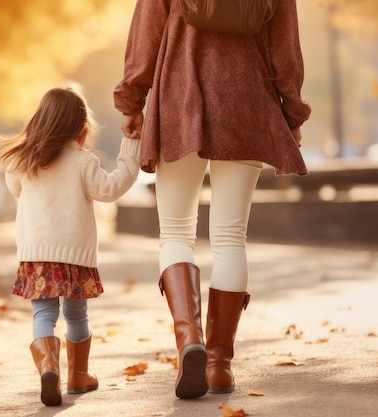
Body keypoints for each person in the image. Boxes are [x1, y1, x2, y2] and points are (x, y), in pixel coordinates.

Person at [114, 0, 311, 399]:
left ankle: (190, 341)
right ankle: (219, 364)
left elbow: (147, 32)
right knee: (230, 237)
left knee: (174, 232)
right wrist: (292, 113)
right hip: (247, 103)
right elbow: (285, 46)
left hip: (178, 99)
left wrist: (131, 100)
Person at [0, 82, 141, 406]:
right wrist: (131, 149)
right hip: (74, 255)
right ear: (81, 127)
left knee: (43, 314)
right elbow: (110, 189)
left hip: (36, 254)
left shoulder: (22, 161)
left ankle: (48, 366)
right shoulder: (82, 162)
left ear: (40, 121)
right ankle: (77, 375)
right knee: (76, 315)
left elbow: (16, 188)